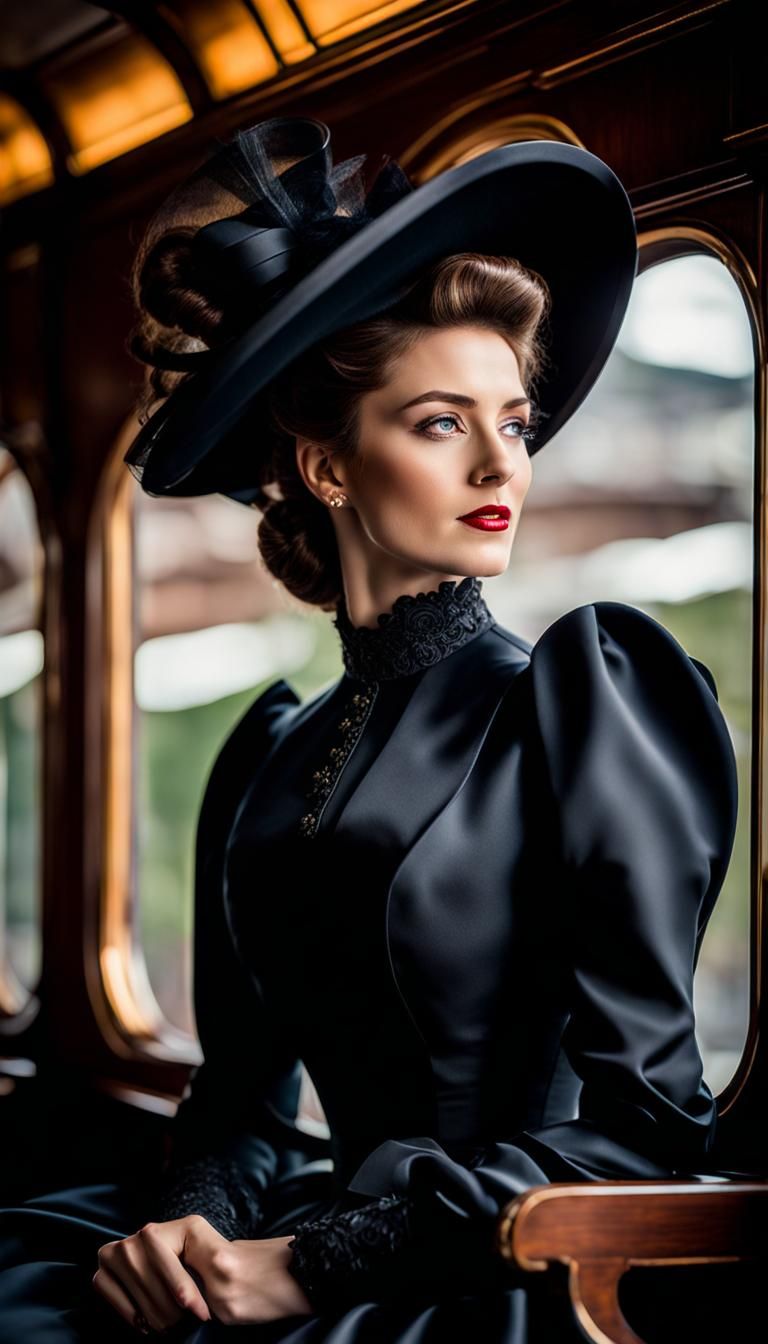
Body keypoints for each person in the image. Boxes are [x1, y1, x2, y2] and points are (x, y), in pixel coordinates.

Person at [0, 116, 743, 1342]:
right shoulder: (272, 756)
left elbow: (648, 1129)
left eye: (513, 420)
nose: (503, 466)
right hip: (291, 1244)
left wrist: (322, 1266)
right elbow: (239, 1105)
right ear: (328, 467)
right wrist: (193, 1227)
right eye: (444, 423)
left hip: (493, 1276)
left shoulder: (584, 700)